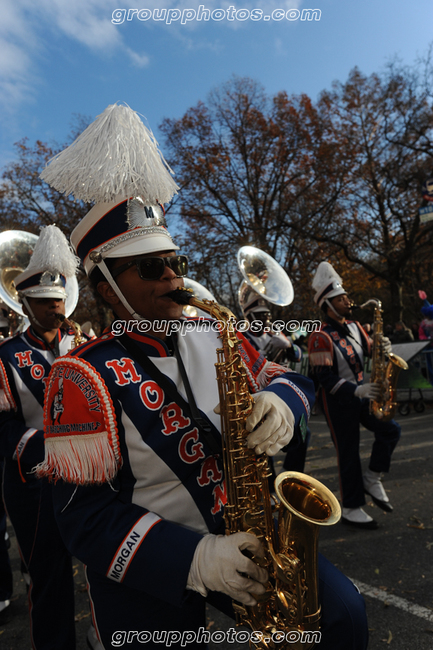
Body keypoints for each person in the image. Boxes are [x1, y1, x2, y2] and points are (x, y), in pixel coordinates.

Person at [36, 103, 368, 650]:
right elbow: (82, 519)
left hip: (245, 531)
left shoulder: (216, 331)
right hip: (152, 560)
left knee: (341, 617)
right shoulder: (79, 375)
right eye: (149, 267)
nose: (170, 275)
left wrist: (283, 404)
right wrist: (193, 559)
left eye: (174, 262)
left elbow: (289, 377)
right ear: (106, 290)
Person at [0, 225, 96, 649]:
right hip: (34, 483)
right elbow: (1, 426)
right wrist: (44, 448)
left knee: (101, 567)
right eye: (43, 303)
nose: (55, 310)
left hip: (89, 478)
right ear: (25, 303)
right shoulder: (5, 356)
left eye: (58, 300)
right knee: (49, 577)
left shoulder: (83, 346)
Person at [308, 262, 401, 530]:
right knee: (347, 453)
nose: (349, 301)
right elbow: (324, 379)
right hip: (339, 401)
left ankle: (372, 477)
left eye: (346, 297)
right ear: (328, 304)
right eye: (342, 298)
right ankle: (350, 506)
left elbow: (371, 353)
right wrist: (356, 389)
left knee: (390, 430)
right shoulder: (319, 337)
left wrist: (382, 346)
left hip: (363, 395)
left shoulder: (357, 327)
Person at [240, 286, 310, 473]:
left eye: (267, 314)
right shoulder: (243, 337)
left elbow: (298, 356)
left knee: (303, 434)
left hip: (281, 394)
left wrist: (288, 345)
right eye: (260, 315)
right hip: (256, 399)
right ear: (250, 316)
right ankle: (269, 489)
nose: (265, 319)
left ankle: (291, 474)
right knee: (260, 448)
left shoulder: (275, 333)